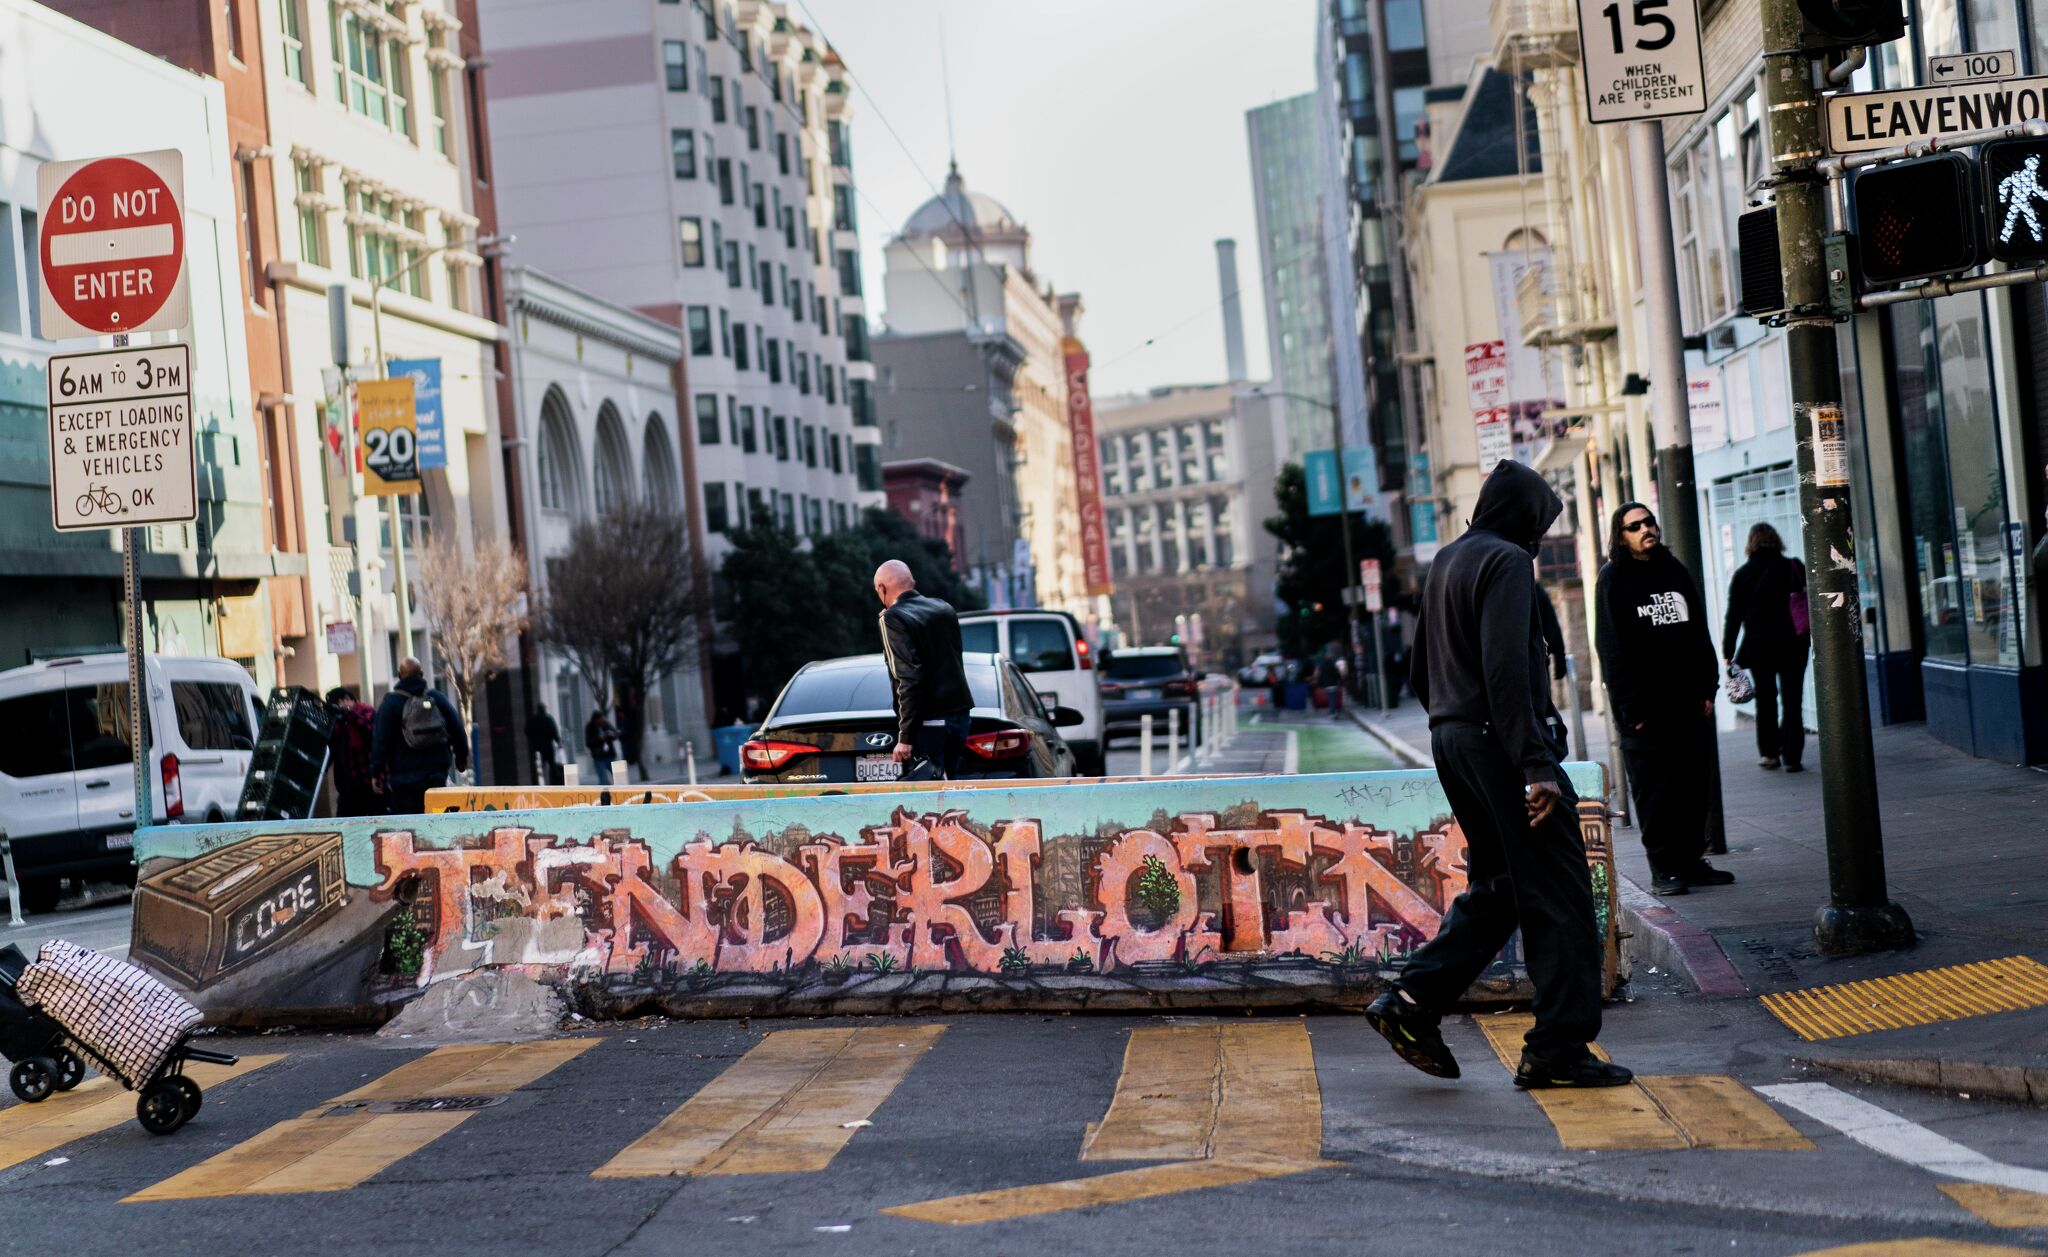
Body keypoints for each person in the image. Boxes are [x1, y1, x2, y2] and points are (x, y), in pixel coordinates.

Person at [1363, 461, 1632, 1091]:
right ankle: (1558, 1049)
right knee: (1561, 897)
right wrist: (1535, 764)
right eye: (1539, 523)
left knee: (1504, 885)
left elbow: (1420, 675)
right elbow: (1507, 668)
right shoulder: (1508, 562)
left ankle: (1410, 1003)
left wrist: (1456, 730)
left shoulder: (1448, 561)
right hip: (1503, 747)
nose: (1539, 537)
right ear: (1522, 517)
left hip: (1452, 739)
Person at [1595, 502, 1731, 896]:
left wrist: (1708, 687)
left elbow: (1698, 631)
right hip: (1645, 711)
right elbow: (1611, 647)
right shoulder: (1613, 580)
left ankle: (1691, 861)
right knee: (1656, 792)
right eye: (1634, 526)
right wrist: (1630, 708)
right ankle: (1663, 868)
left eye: (1649, 521)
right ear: (1621, 536)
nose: (1645, 529)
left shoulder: (1674, 570)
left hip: (1688, 703)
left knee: (1693, 787)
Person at [1722, 523, 1811, 772]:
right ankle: (1793, 757)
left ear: (1751, 543)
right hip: (1793, 644)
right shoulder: (1793, 567)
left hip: (1760, 647)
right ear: (1776, 540)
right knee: (1793, 700)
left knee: (1766, 699)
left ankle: (1770, 753)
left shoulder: (1743, 575)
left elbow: (1734, 616)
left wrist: (1728, 652)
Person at [874, 559, 975, 778]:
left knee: (927, 801)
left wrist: (905, 738)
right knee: (952, 792)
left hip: (930, 721)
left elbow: (908, 677)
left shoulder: (892, 618)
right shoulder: (943, 607)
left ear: (882, 589)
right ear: (912, 583)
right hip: (960, 715)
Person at [368, 657, 467, 816]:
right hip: (436, 776)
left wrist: (375, 773)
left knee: (410, 830)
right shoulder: (436, 697)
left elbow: (380, 740)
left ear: (399, 676)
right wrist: (461, 760)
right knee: (437, 824)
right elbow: (457, 728)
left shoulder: (390, 703)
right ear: (421, 674)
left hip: (403, 781)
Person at [323, 686, 379, 817]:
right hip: (347, 787)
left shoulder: (366, 712)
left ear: (347, 699)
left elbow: (370, 732)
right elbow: (331, 748)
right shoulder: (337, 721)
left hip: (369, 785)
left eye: (337, 705)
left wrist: (348, 715)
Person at [526, 703, 563, 786]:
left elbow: (527, 730)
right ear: (544, 709)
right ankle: (553, 783)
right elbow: (554, 731)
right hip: (548, 747)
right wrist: (558, 741)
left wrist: (533, 738)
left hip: (537, 747)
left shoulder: (533, 719)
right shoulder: (548, 719)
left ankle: (539, 783)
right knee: (552, 766)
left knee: (539, 767)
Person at [585, 709, 621, 785]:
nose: (601, 722)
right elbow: (588, 743)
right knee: (603, 779)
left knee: (617, 776)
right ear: (595, 720)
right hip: (598, 757)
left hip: (609, 754)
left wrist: (612, 735)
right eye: (599, 720)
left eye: (602, 719)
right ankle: (603, 794)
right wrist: (599, 739)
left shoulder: (606, 724)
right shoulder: (590, 727)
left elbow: (616, 734)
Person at [1316, 641, 1346, 716]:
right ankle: (1332, 711)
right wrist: (1340, 680)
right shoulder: (1333, 665)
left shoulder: (1322, 665)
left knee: (1330, 697)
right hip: (1333, 683)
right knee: (1333, 697)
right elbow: (1336, 674)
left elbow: (1320, 675)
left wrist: (1320, 683)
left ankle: (1332, 710)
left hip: (1326, 684)